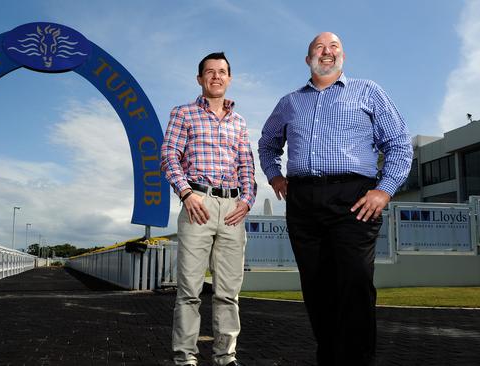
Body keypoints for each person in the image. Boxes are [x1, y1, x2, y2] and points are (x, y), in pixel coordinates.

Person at [258, 32, 412, 366]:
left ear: (343, 56)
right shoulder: (289, 102)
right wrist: (275, 175)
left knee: (354, 284)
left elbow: (399, 144)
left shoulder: (369, 92)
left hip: (354, 198)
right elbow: (267, 144)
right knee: (317, 288)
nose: (326, 52)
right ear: (307, 59)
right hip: (303, 200)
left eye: (334, 47)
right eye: (319, 48)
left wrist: (384, 190)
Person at [161, 52, 256, 366]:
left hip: (232, 208)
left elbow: (246, 166)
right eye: (210, 72)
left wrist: (246, 201)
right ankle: (185, 356)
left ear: (229, 78)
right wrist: (187, 194)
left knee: (228, 292)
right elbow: (169, 157)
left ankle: (225, 356)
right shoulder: (183, 113)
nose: (216, 76)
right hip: (197, 204)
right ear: (200, 79)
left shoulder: (239, 122)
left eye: (222, 72)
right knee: (189, 289)